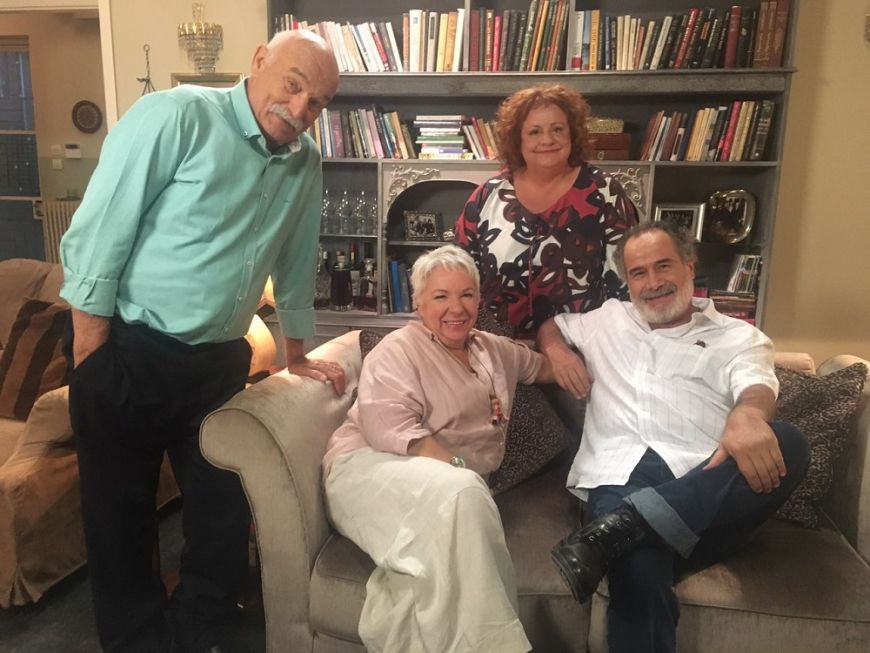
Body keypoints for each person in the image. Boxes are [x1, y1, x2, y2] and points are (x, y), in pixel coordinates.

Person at [59, 30, 345, 653]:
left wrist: (298, 353)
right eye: (293, 85)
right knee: (120, 521)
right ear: (259, 61)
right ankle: (136, 643)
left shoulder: (305, 161)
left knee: (222, 515)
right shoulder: (176, 116)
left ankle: (199, 634)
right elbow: (102, 229)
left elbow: (297, 257)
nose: (301, 109)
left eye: (318, 102)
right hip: (128, 349)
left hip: (218, 363)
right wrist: (91, 354)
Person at [537, 222, 810, 653]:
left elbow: (756, 384)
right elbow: (552, 326)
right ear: (627, 281)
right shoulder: (607, 320)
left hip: (707, 485)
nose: (652, 282)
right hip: (620, 476)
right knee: (638, 572)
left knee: (789, 443)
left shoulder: (738, 336)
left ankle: (616, 532)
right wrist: (556, 351)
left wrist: (749, 415)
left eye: (663, 266)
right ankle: (628, 533)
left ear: (689, 266)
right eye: (638, 273)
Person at [323, 245, 557, 653]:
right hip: (368, 467)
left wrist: (578, 355)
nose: (456, 308)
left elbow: (544, 367)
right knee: (465, 494)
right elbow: (393, 432)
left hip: (451, 489)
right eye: (440, 296)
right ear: (418, 303)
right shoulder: (398, 350)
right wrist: (463, 472)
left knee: (461, 508)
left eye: (466, 294)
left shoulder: (494, 349)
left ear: (479, 299)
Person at [454, 83, 639, 340]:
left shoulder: (604, 192)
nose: (547, 140)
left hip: (581, 348)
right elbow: (459, 271)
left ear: (572, 134)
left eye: (557, 129)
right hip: (498, 347)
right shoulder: (488, 195)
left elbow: (625, 280)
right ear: (517, 140)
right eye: (534, 132)